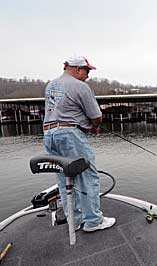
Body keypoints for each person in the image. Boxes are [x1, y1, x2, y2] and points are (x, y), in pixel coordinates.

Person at [43, 55, 116, 232]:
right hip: (70, 134)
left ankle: (73, 221)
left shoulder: (51, 85)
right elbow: (96, 115)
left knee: (64, 178)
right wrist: (94, 128)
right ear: (77, 69)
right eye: (87, 70)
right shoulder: (80, 86)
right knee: (87, 177)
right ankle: (93, 221)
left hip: (49, 134)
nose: (88, 75)